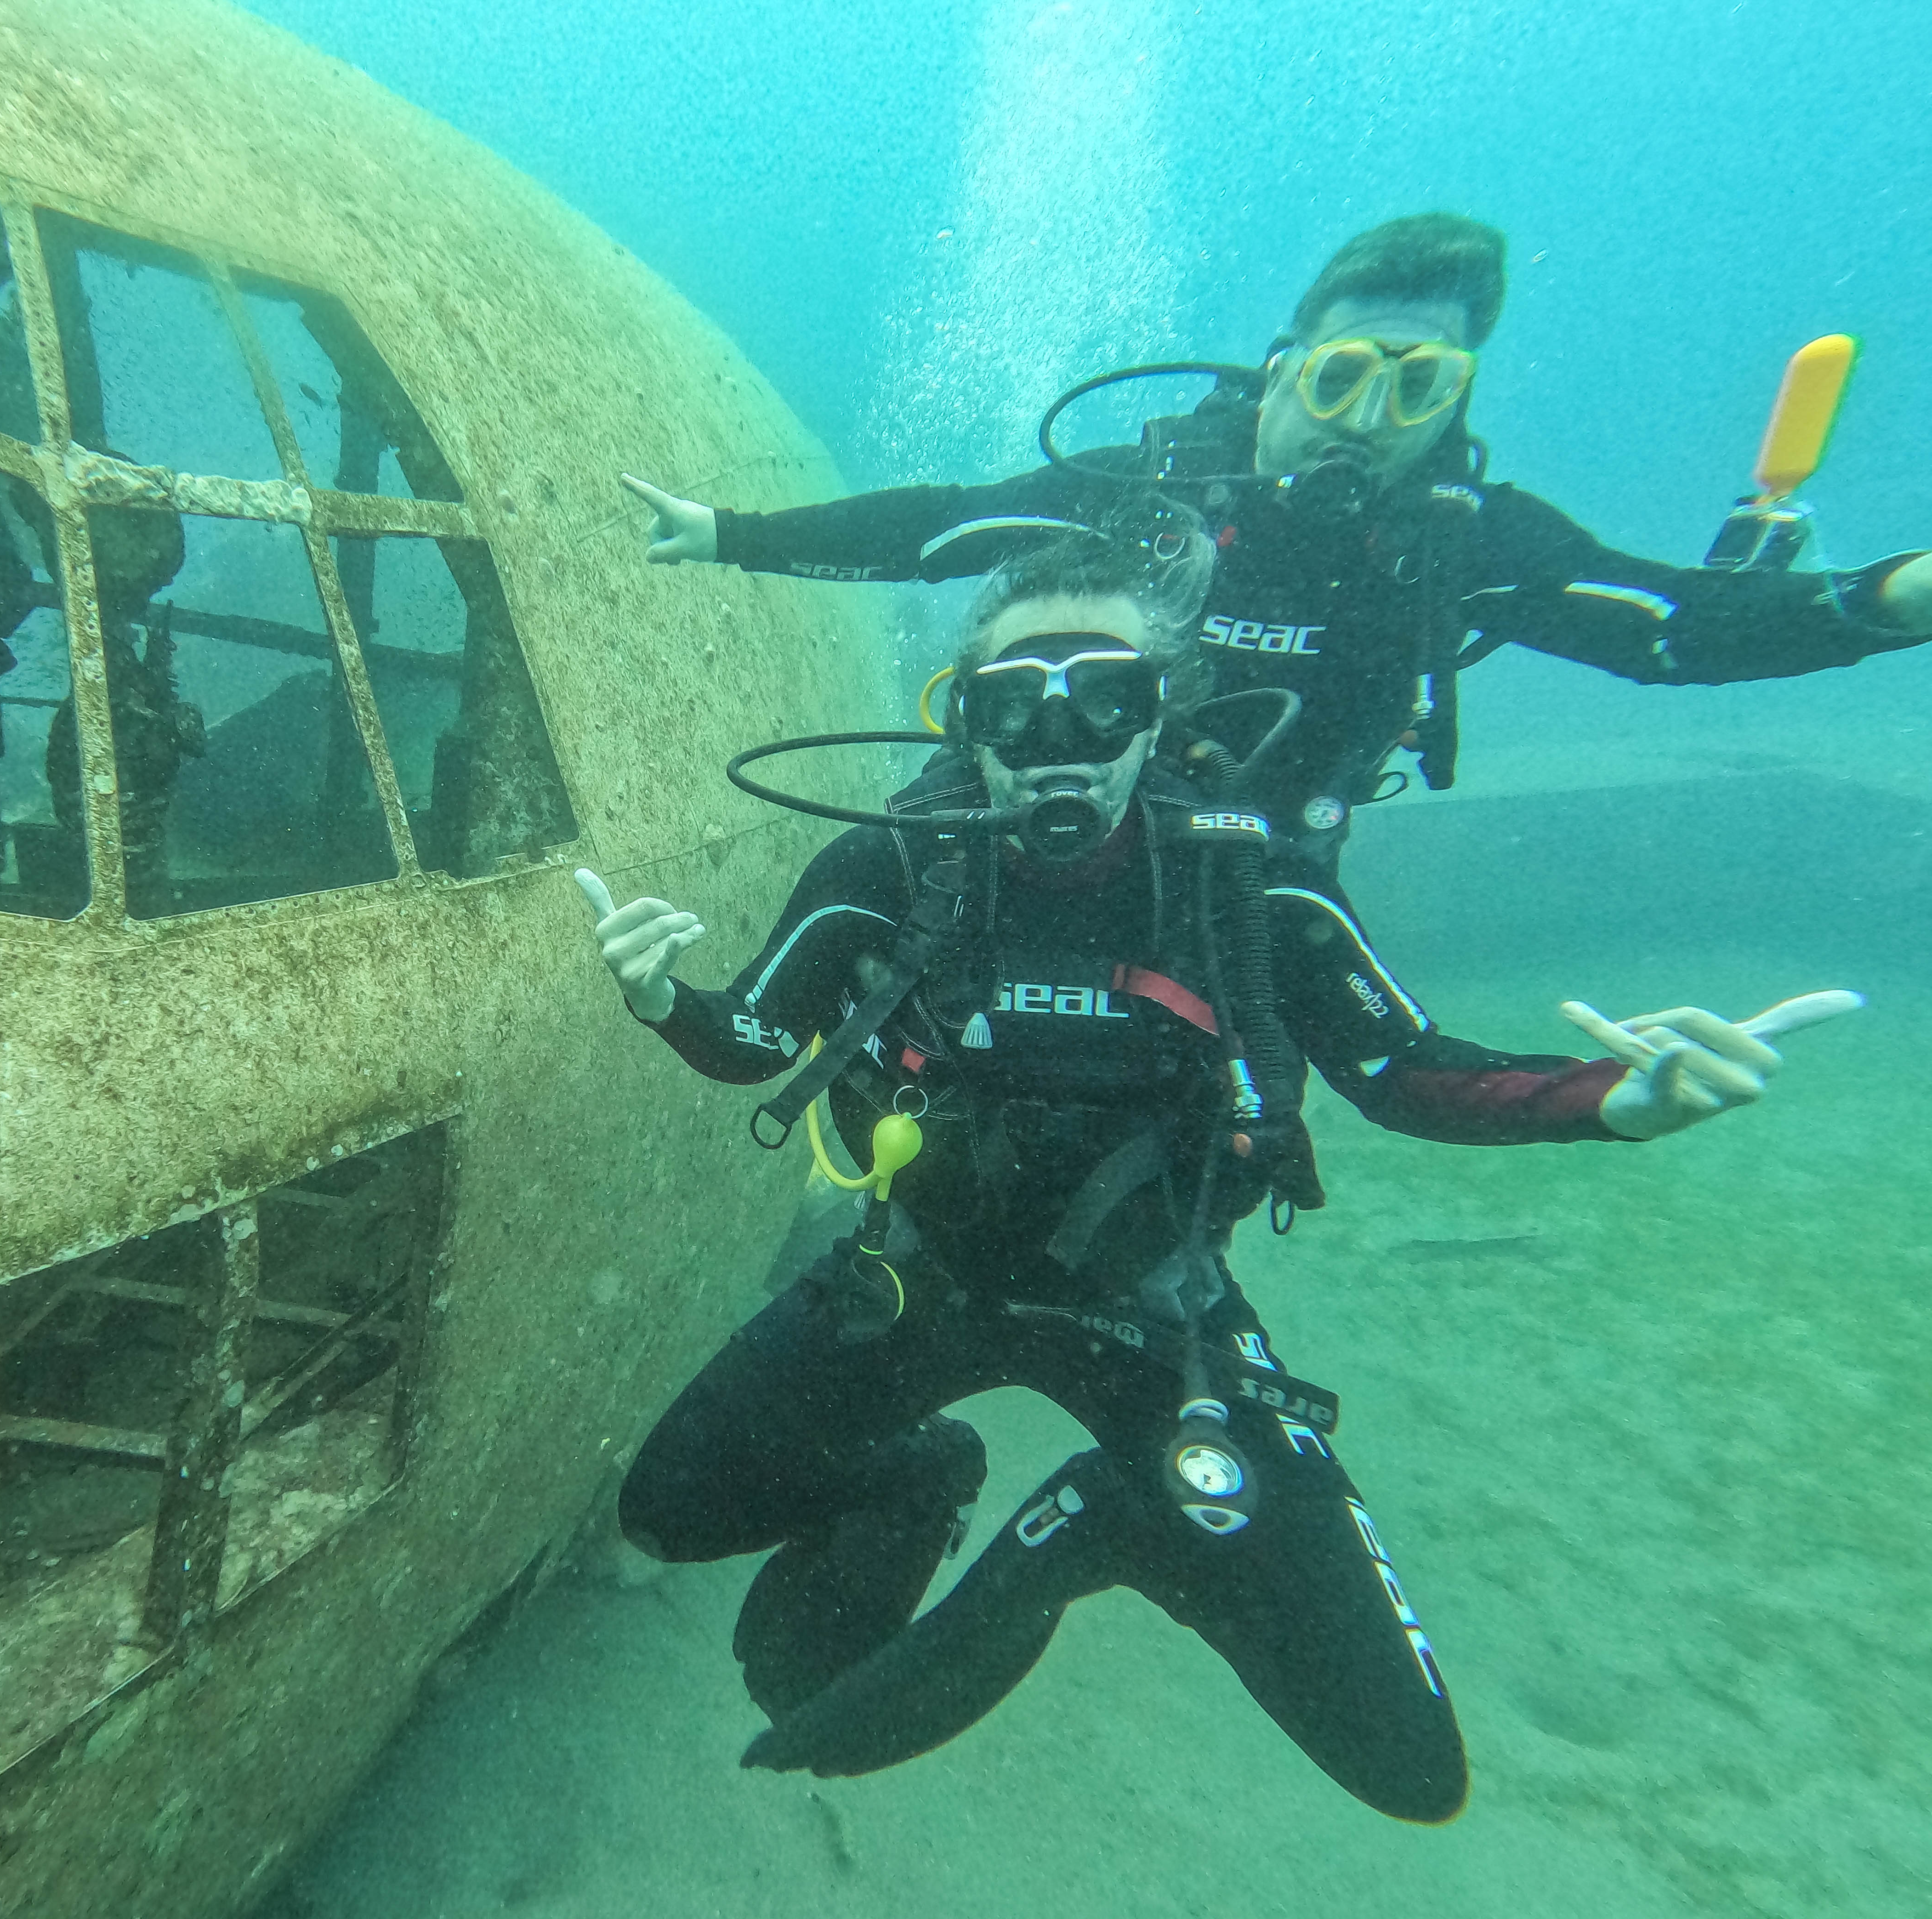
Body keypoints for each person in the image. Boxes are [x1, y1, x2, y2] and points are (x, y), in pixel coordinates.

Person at [572, 506, 1856, 1820]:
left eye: (1106, 699)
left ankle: (1103, 1526)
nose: (1058, 745)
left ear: (1158, 710)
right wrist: (665, 999)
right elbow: (755, 1044)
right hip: (919, 1280)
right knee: (664, 1514)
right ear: (967, 720)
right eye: (1017, 708)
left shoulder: (1254, 893)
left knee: (1403, 1761)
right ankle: (924, 1473)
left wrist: (1619, 1099)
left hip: (1158, 1321)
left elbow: (1406, 1074)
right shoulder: (890, 866)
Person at [619, 213, 1932, 874]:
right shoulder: (1161, 486)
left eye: (1420, 389)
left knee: (1224, 1129)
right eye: (1346, 375)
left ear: (1458, 403)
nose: (1369, 422)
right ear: (1284, 368)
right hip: (1035, 814)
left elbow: (1671, 632)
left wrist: (1886, 602)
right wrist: (733, 533)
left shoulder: (1459, 540)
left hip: (1261, 870)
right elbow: (949, 528)